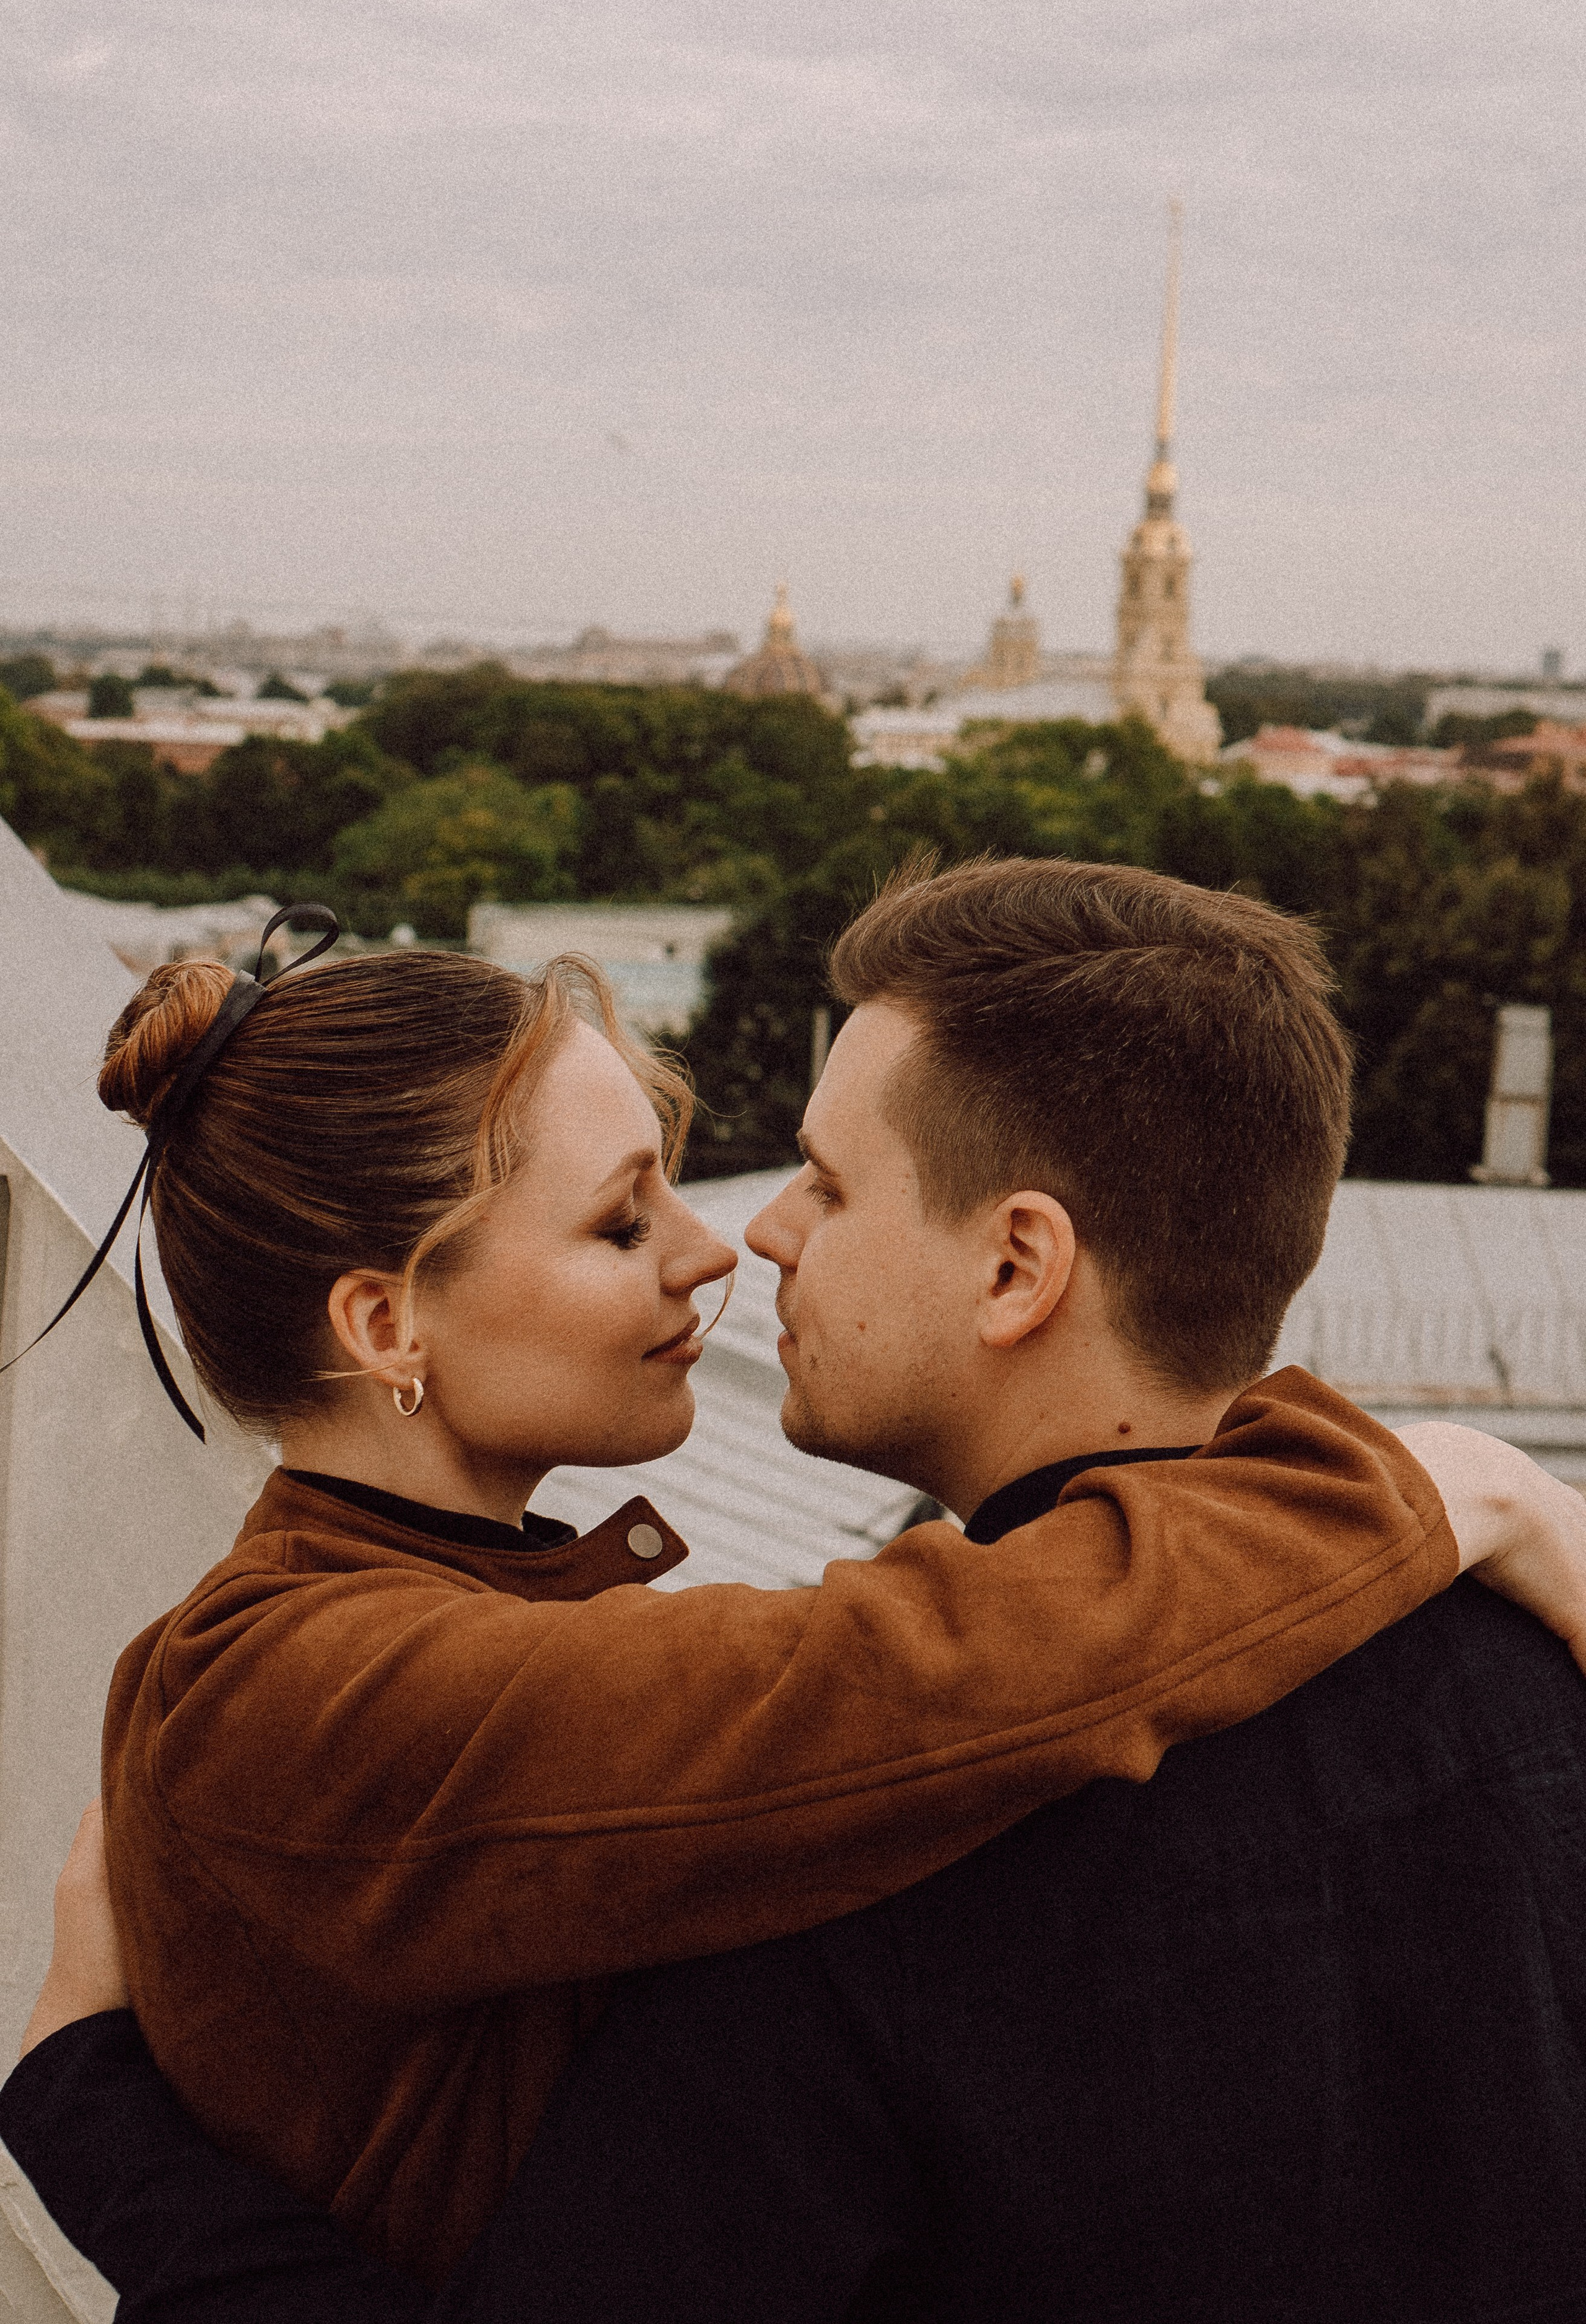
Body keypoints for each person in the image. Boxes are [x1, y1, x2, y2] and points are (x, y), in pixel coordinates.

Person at [5, 859, 1586, 2322]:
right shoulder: (280, 1683)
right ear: (388, 1326)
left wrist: (99, 2119)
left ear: (1019, 1264)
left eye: (801, 1183)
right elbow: (910, 1671)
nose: (727, 1246)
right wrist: (1439, 1486)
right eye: (624, 1218)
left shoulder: (792, 1855)